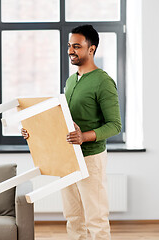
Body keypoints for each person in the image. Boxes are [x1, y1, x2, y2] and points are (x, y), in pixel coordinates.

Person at [21, 25, 121, 240]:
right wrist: (34, 130)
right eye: (69, 46)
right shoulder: (71, 81)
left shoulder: (103, 81)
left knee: (96, 218)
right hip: (68, 158)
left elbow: (115, 125)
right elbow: (61, 120)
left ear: (91, 49)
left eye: (77, 46)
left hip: (90, 159)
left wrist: (84, 136)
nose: (70, 51)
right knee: (74, 217)